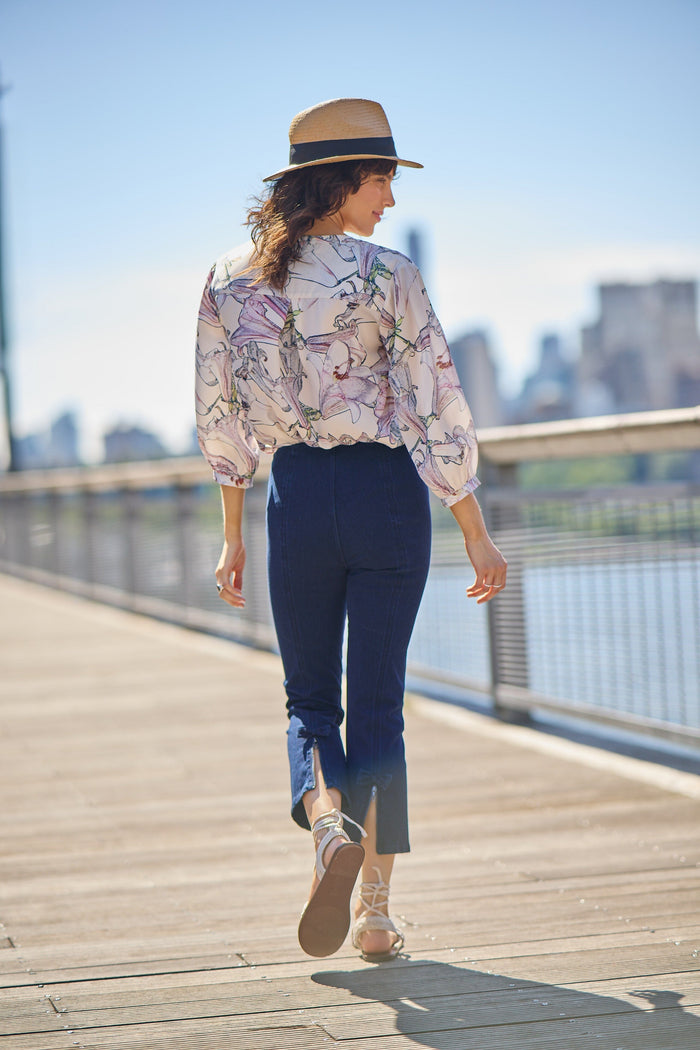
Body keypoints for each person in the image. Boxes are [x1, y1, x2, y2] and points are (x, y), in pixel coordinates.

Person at [195, 98, 507, 962]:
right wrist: (473, 525)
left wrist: (233, 531)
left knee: (308, 700)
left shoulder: (227, 279)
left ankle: (327, 822)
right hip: (385, 497)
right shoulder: (389, 273)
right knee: (379, 705)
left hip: (295, 498)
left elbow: (219, 414)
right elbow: (436, 402)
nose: (390, 201)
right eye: (381, 181)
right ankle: (374, 913)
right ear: (341, 182)